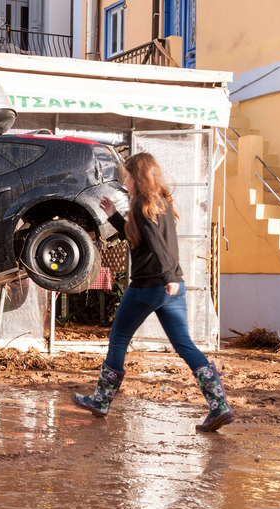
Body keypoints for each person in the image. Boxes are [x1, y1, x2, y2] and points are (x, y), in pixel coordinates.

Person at [73, 152, 234, 432]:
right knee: (184, 345)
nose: (125, 181)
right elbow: (139, 239)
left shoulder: (143, 206)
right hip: (173, 287)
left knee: (119, 336)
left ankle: (101, 400)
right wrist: (113, 217)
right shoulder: (161, 204)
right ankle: (219, 405)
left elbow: (158, 245)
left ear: (138, 176)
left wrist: (167, 276)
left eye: (127, 176)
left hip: (149, 286)